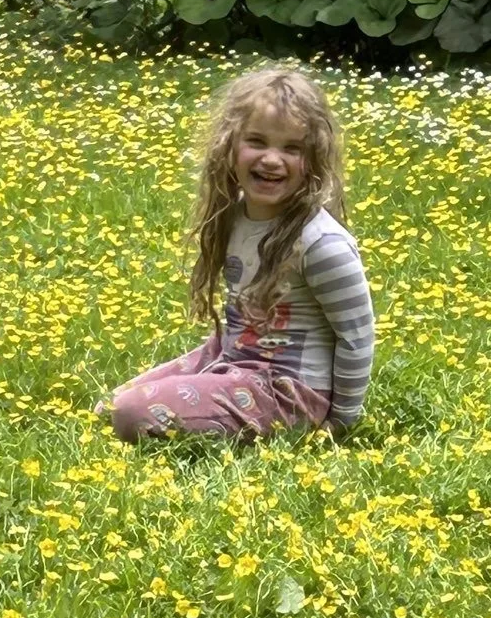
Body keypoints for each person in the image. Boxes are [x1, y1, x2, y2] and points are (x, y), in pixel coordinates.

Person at [99, 66, 374, 442]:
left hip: (288, 392)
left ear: (313, 158)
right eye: (257, 141)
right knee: (111, 405)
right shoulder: (233, 214)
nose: (272, 159)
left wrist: (340, 422)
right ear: (229, 146)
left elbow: (357, 336)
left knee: (132, 414)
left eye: (292, 148)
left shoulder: (321, 243)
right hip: (234, 356)